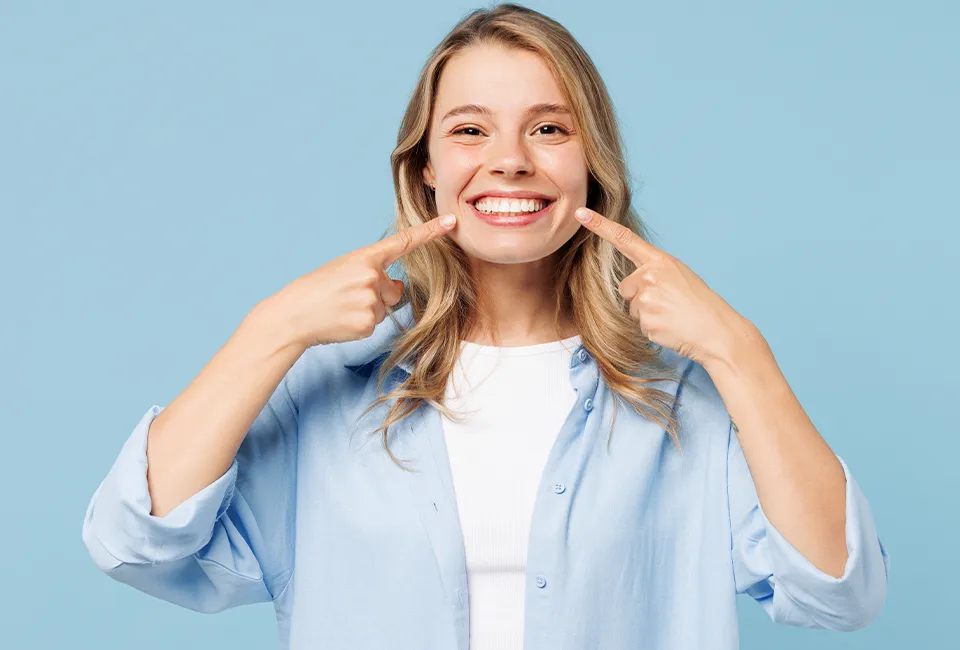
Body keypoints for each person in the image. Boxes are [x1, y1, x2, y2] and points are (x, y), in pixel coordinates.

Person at [81, 3, 889, 649]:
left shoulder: (687, 406)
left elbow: (839, 592)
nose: (510, 160)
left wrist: (740, 352)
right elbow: (133, 543)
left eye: (548, 127)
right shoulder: (329, 398)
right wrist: (271, 330)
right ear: (425, 168)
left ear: (590, 164)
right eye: (470, 129)